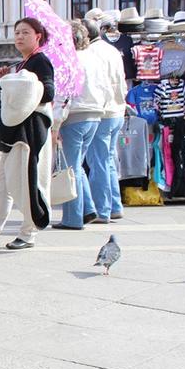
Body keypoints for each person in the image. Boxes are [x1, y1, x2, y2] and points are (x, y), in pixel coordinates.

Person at [0, 17, 54, 250]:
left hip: (29, 134)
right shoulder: (24, 63)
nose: (19, 37)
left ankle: (29, 233)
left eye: (25, 32)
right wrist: (7, 79)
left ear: (38, 36)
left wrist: (15, 81)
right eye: (17, 33)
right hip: (15, 133)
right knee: (3, 184)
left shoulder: (40, 61)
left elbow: (47, 93)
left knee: (25, 182)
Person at [53, 20, 110, 230]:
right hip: (94, 114)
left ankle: (73, 218)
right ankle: (88, 208)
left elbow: (62, 95)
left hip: (74, 115)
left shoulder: (68, 61)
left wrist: (55, 124)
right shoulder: (94, 59)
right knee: (77, 165)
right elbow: (106, 87)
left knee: (70, 168)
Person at [84, 19, 128, 222]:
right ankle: (115, 205)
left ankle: (103, 209)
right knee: (108, 160)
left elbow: (96, 84)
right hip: (117, 110)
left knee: (98, 162)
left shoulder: (91, 53)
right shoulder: (111, 49)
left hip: (102, 112)